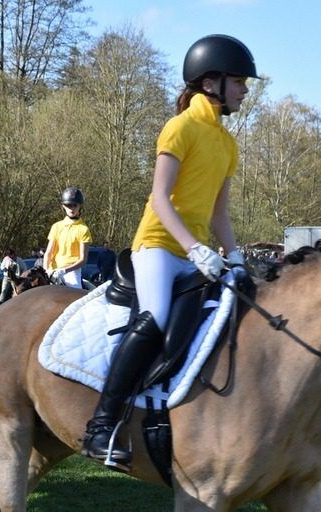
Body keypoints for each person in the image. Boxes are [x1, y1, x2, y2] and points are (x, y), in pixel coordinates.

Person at [80, 34, 256, 472]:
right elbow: (160, 198)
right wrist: (195, 249)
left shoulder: (228, 144)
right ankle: (102, 424)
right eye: (239, 81)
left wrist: (234, 256)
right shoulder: (179, 128)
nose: (245, 90)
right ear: (210, 82)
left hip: (197, 255)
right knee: (155, 317)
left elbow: (219, 212)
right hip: (158, 245)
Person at [43, 188, 92, 289]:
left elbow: (83, 259)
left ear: (80, 206)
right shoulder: (56, 227)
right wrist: (46, 271)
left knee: (76, 295)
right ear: (63, 206)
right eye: (69, 205)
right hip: (53, 270)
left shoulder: (83, 229)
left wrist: (63, 271)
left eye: (75, 205)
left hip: (71, 272)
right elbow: (48, 253)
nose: (72, 208)